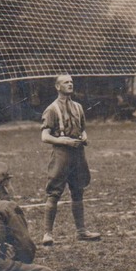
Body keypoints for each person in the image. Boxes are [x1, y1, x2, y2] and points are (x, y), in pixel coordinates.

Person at [39, 73, 101, 244]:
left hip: (78, 154)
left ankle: (81, 231)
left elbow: (83, 129)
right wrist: (61, 140)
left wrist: (85, 137)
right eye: (66, 82)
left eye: (71, 82)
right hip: (61, 154)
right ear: (58, 87)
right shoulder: (52, 109)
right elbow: (44, 136)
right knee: (54, 192)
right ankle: (48, 234)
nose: (70, 84)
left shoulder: (78, 107)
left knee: (78, 190)